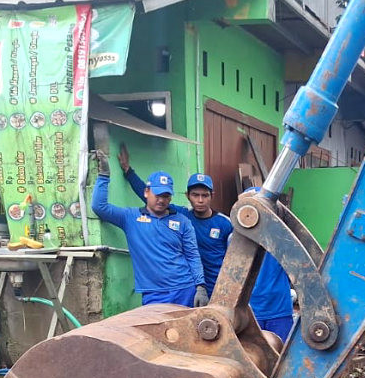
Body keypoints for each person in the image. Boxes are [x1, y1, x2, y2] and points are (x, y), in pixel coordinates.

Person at [118, 145, 232, 300]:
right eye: (195, 195)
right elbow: (151, 198)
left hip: (219, 288)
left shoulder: (225, 223)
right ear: (187, 196)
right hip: (194, 288)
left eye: (205, 195)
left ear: (212, 195)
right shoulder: (182, 216)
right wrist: (128, 171)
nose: (200, 200)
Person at [92, 155, 205, 307]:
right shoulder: (130, 218)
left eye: (166, 195)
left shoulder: (183, 221)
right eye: (157, 194)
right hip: (153, 293)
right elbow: (100, 207)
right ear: (146, 192)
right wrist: (104, 175)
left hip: (184, 290)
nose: (161, 200)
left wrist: (200, 286)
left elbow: (192, 255)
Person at [242, 188, 295, 341]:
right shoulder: (236, 241)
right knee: (253, 355)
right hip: (251, 312)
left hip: (279, 310)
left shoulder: (282, 240)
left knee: (280, 354)